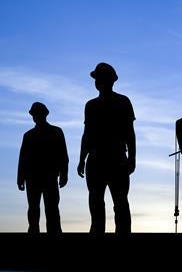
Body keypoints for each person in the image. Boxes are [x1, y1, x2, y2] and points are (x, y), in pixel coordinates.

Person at [77, 62, 136, 234]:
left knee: (119, 203)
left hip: (113, 158)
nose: (97, 82)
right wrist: (81, 159)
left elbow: (129, 134)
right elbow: (87, 134)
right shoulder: (91, 105)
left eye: (99, 78)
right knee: (99, 203)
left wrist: (132, 158)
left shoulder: (122, 102)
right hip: (99, 159)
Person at [17, 102, 69, 235]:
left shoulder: (56, 132)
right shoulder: (28, 135)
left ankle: (54, 232)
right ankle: (35, 232)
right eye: (34, 114)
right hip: (33, 178)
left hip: (50, 177)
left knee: (51, 209)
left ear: (45, 114)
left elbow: (63, 155)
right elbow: (23, 158)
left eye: (37, 114)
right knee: (34, 209)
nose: (36, 117)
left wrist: (64, 173)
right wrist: (20, 178)